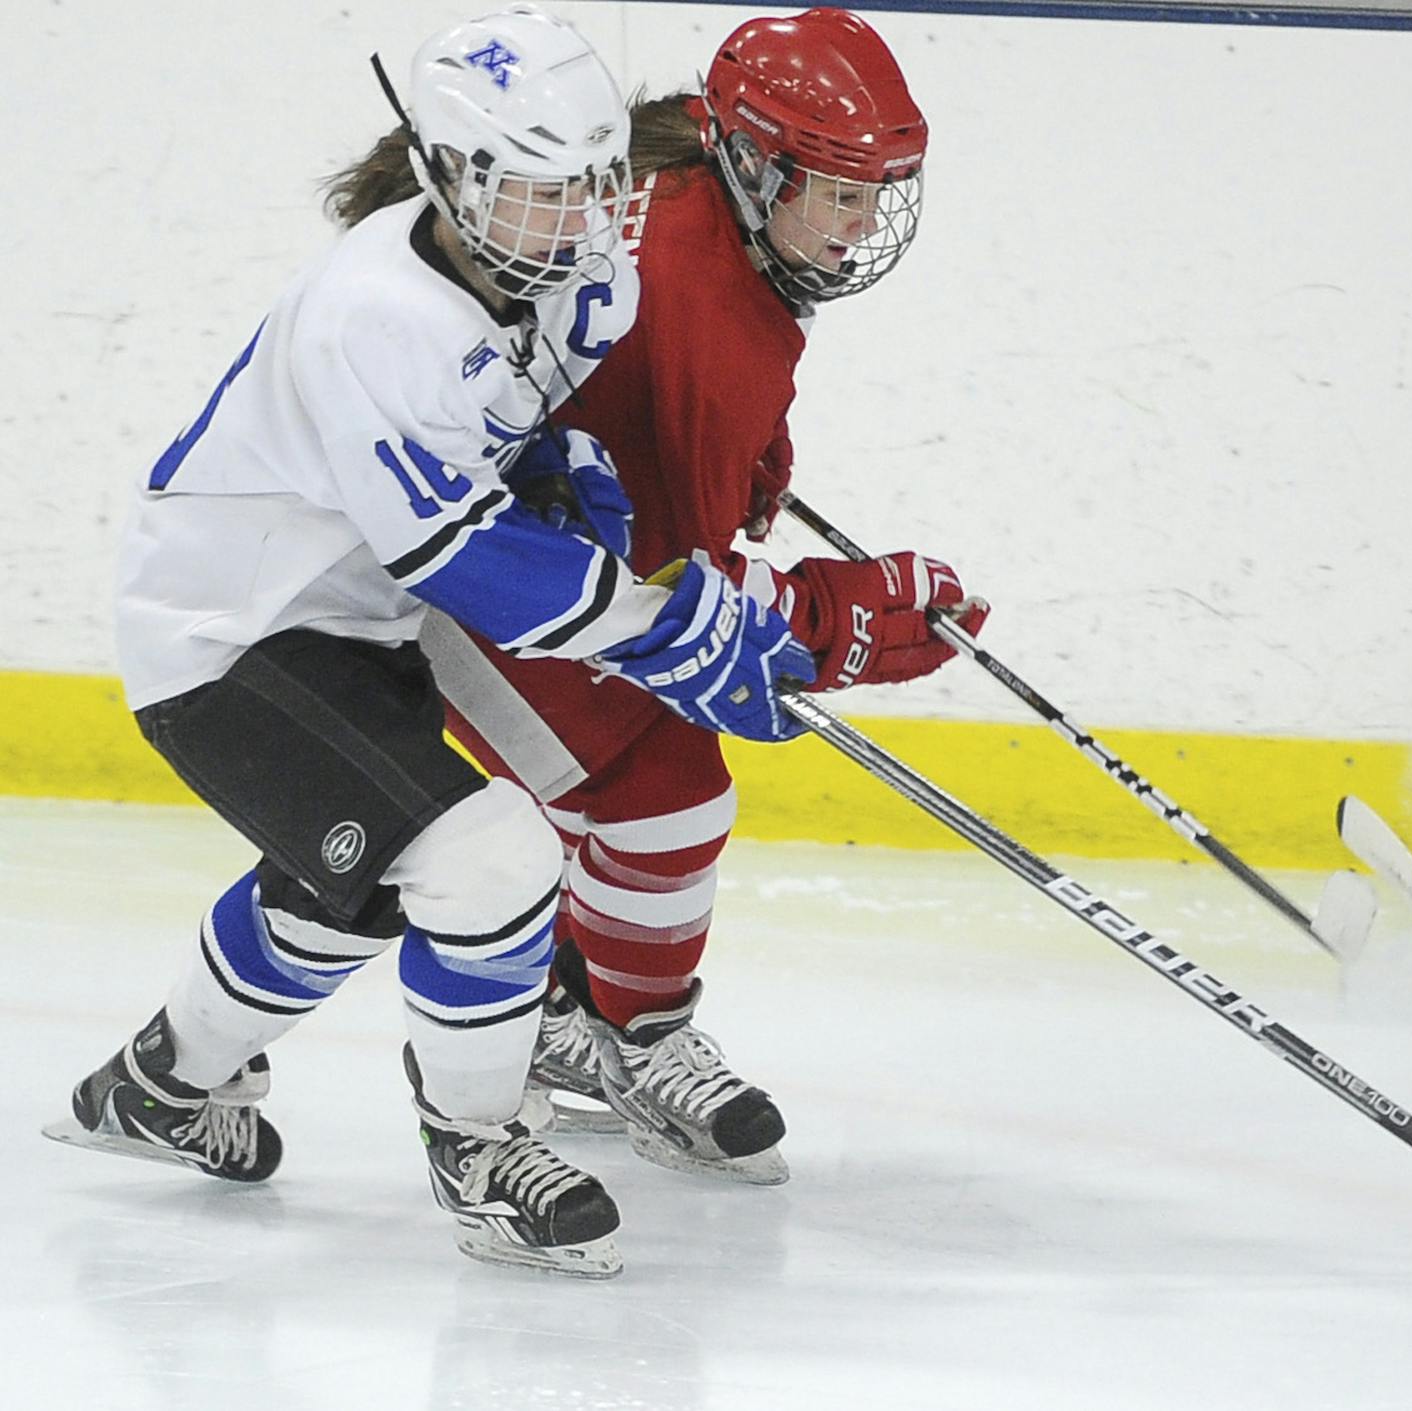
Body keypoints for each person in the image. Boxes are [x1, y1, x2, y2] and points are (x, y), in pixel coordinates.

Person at [43, 4, 816, 1279]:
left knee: (345, 890)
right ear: (451, 176)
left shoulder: (576, 265)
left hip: (351, 625)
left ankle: (157, 1087)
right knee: (490, 859)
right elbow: (462, 557)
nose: (571, 220)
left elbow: (537, 438)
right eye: (533, 191)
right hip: (228, 632)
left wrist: (584, 480)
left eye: (589, 186)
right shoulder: (376, 316)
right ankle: (480, 1145)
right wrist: (663, 628)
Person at [402, 8, 980, 1179]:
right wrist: (843, 621)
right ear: (758, 164)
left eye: (880, 193)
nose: (868, 224)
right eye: (843, 193)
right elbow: (674, 597)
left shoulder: (695, 206)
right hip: (453, 577)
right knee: (660, 787)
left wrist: (733, 449)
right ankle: (628, 1034)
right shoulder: (698, 298)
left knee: (623, 787)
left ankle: (572, 1006)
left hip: (519, 544)